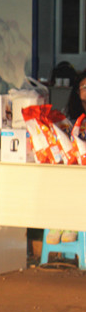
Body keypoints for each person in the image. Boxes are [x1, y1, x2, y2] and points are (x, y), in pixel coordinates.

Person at [44, 71, 86, 245]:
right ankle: (59, 223)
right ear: (77, 91)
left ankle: (71, 223)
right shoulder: (70, 115)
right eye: (84, 87)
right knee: (58, 177)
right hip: (74, 165)